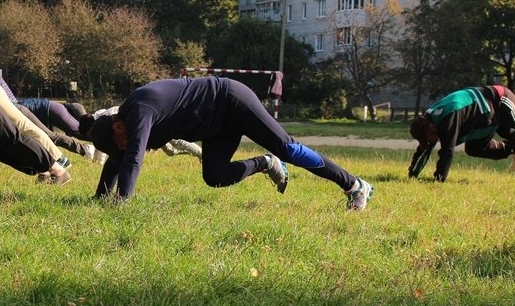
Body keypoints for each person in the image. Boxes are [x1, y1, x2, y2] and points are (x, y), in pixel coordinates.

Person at [86, 76, 373, 210]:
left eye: (119, 142)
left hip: (231, 100)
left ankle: (355, 185)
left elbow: (133, 157)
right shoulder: (122, 126)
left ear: (118, 126)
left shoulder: (140, 110)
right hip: (215, 127)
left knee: (287, 148)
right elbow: (119, 158)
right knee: (215, 177)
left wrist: (122, 202)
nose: (122, 148)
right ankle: (265, 163)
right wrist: (101, 197)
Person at [408, 84, 515, 186]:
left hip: (501, 100)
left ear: (432, 128)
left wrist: (438, 181)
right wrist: (412, 175)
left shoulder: (449, 117)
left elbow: (447, 152)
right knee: (474, 148)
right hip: (482, 117)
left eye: (431, 138)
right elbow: (424, 149)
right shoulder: (429, 121)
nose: (433, 141)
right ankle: (512, 149)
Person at [0, 65, 98, 162]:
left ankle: (94, 145)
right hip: (42, 109)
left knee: (74, 132)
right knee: (48, 136)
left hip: (49, 109)